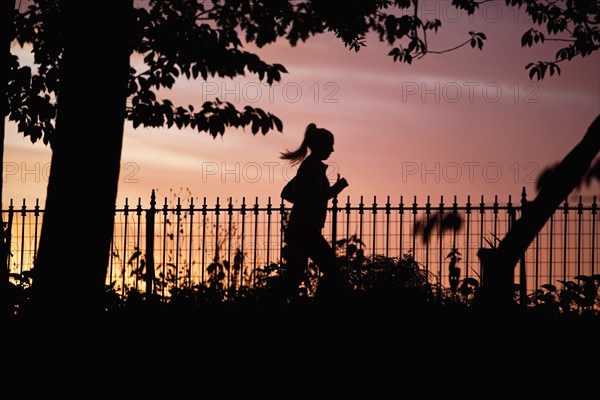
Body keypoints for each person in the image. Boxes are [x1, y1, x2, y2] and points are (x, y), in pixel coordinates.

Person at [276, 122, 349, 304]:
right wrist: (336, 189)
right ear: (320, 146)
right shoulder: (310, 168)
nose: (332, 149)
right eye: (329, 145)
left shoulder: (311, 167)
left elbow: (289, 193)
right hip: (305, 230)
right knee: (331, 270)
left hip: (303, 229)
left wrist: (303, 199)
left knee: (295, 276)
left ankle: (278, 305)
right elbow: (312, 196)